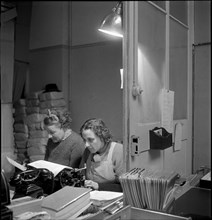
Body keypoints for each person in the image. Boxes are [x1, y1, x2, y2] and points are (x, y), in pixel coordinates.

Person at [79, 118, 124, 192]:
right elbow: (81, 176)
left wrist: (98, 186)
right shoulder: (88, 151)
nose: (86, 145)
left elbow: (124, 187)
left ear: (102, 136)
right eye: (84, 140)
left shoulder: (118, 150)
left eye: (90, 140)